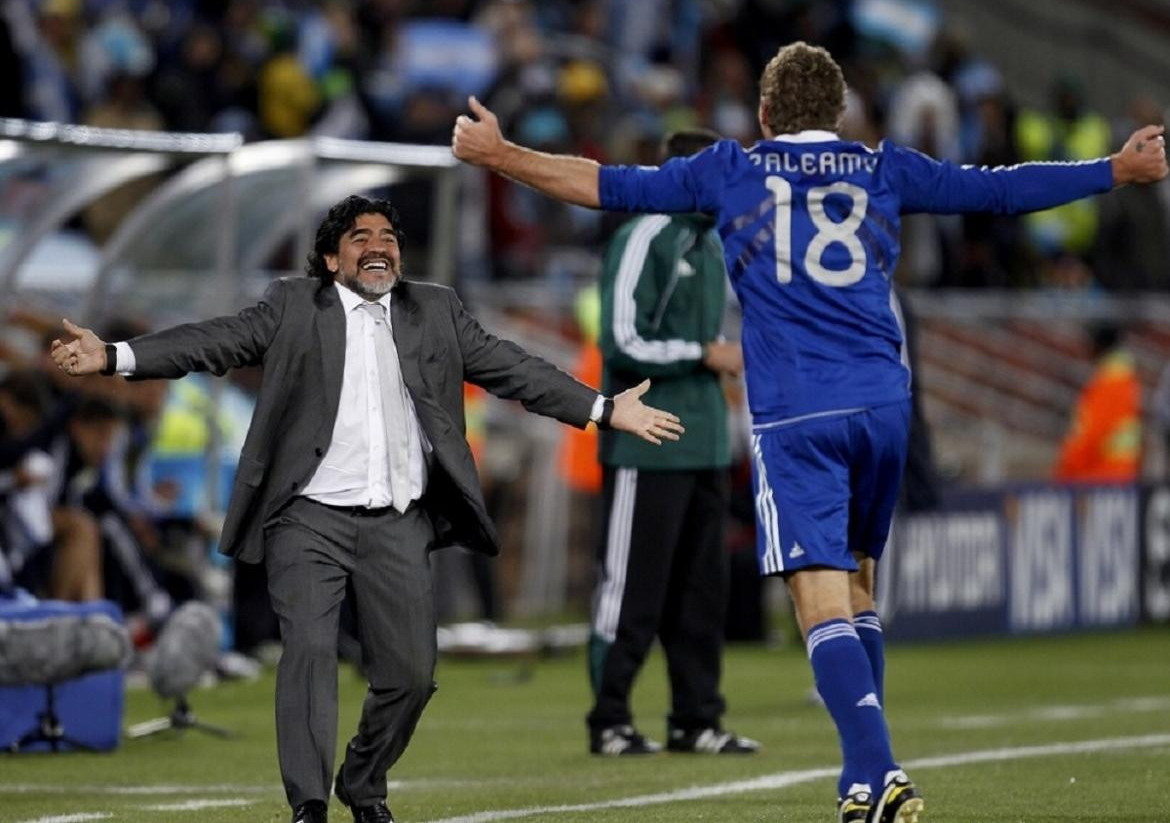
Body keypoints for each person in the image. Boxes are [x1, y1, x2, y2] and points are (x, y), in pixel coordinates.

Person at [452, 41, 1168, 823]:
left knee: (817, 598)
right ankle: (861, 785)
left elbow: (601, 185)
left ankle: (879, 770)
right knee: (858, 586)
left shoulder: (731, 170)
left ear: (763, 115)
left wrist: (500, 154)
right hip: (884, 407)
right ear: (841, 113)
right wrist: (1114, 169)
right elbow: (999, 191)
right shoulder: (887, 167)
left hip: (798, 411)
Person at [49, 194, 683, 823]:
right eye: (359, 237)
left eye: (388, 237)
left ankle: (363, 778)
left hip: (397, 518)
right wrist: (113, 356)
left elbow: (514, 368)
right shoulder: (292, 305)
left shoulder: (436, 309)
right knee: (309, 655)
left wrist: (603, 409)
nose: (378, 246)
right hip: (308, 517)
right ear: (331, 258)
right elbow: (212, 341)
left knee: (410, 674)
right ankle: (307, 804)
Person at [587, 126, 757, 757]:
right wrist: (703, 353)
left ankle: (697, 719)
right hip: (646, 438)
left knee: (701, 594)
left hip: (706, 440)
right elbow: (621, 340)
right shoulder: (645, 234)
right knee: (631, 587)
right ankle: (609, 719)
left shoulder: (710, 242)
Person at [1053, 324, 1141, 484]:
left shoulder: (1111, 382)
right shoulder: (1123, 378)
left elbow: (1092, 433)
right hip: (1117, 475)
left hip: (1100, 476)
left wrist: (1066, 472)